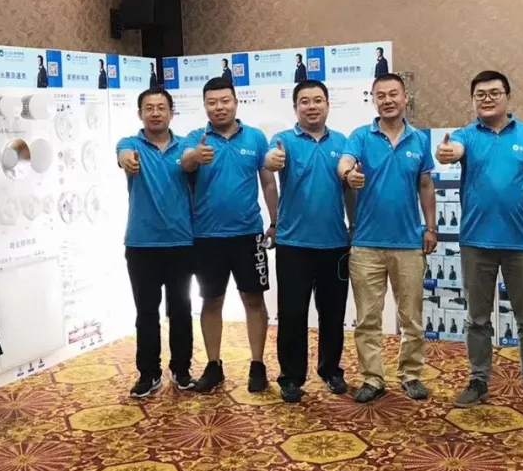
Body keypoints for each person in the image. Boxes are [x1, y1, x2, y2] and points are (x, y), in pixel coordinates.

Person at [436, 71, 523, 414]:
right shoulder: (466, 135)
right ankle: (478, 380)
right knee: (477, 319)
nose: (487, 99)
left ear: (508, 97)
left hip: (521, 242)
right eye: (480, 94)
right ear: (473, 100)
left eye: (494, 93)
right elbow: (452, 150)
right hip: (476, 242)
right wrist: (447, 152)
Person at [337, 73, 436, 403]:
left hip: (408, 243)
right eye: (381, 95)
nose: (388, 100)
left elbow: (425, 185)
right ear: (373, 100)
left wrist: (431, 227)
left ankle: (411, 374)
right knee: (368, 318)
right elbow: (345, 162)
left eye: (394, 94)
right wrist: (348, 174)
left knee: (411, 317)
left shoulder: (419, 140)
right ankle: (372, 377)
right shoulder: (360, 136)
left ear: (405, 97)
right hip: (366, 244)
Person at [180, 77, 277, 393]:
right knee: (211, 301)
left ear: (236, 102)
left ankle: (257, 364)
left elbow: (268, 183)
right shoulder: (196, 138)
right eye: (212, 102)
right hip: (206, 236)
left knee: (254, 300)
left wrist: (275, 222)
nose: (219, 107)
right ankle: (213, 365)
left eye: (224, 101)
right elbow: (184, 163)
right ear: (205, 106)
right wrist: (195, 156)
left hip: (249, 234)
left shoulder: (256, 137)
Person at [265, 81, 352, 403]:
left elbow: (349, 190)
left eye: (318, 100)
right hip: (293, 244)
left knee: (333, 314)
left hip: (335, 243)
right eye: (304, 101)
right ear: (295, 108)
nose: (311, 106)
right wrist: (273, 160)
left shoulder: (343, 143)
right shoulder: (283, 141)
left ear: (328, 105)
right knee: (292, 314)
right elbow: (270, 161)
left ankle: (331, 370)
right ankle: (290, 377)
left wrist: (354, 225)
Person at [117, 88, 197, 398]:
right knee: (146, 313)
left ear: (171, 113)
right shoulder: (130, 144)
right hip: (142, 244)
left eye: (161, 107)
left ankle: (181, 369)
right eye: (149, 108)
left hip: (181, 242)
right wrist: (127, 162)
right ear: (140, 114)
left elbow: (191, 161)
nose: (155, 112)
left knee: (181, 310)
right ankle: (148, 374)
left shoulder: (185, 146)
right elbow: (123, 156)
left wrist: (193, 158)